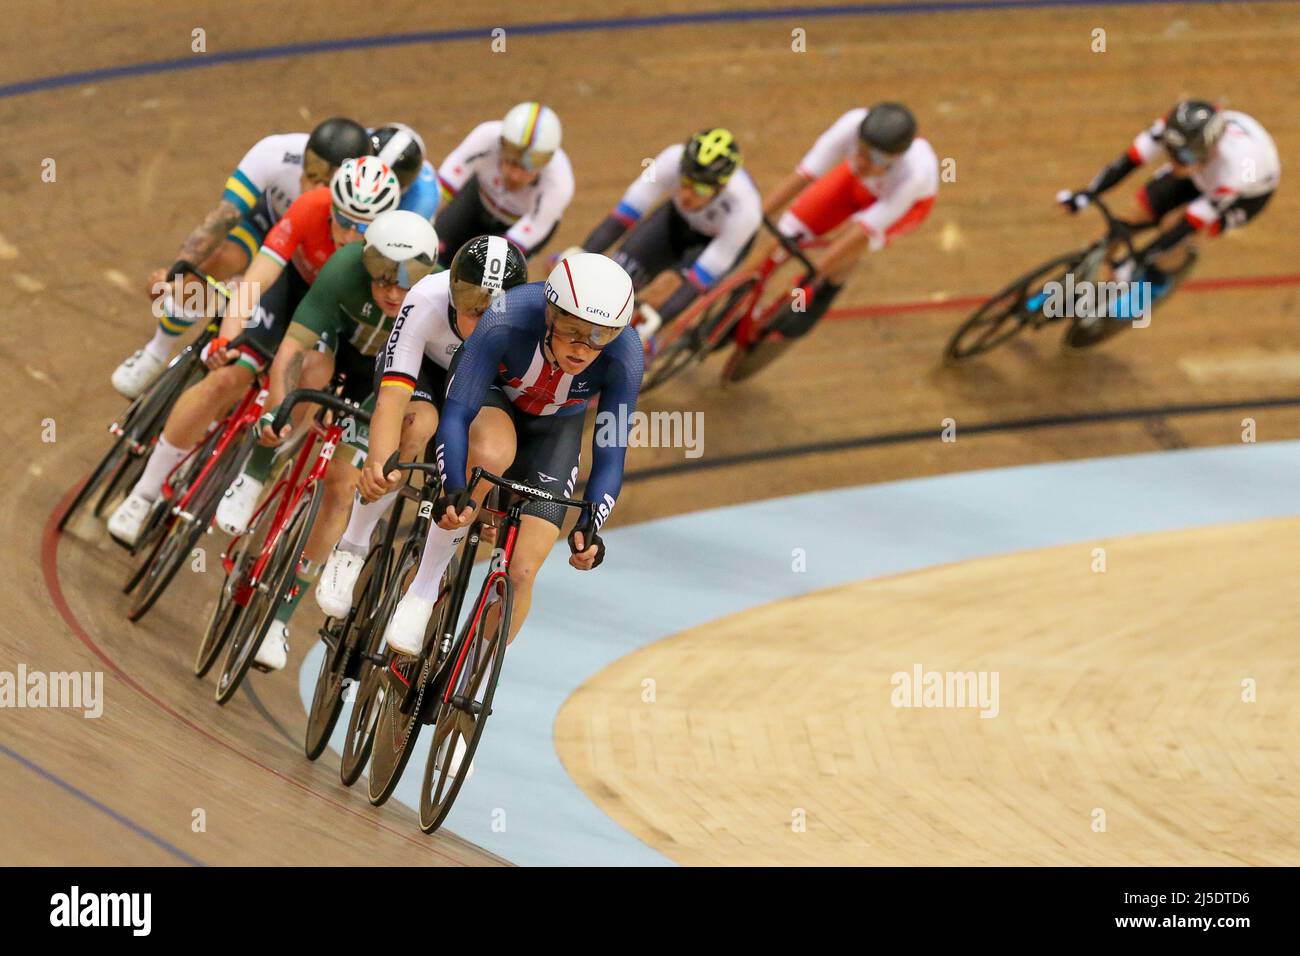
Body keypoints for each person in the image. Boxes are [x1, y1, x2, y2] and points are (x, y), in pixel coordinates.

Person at [105, 158, 401, 547]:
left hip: (331, 311)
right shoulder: (310, 206)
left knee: (312, 374)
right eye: (342, 220)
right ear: (329, 203)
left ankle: (258, 465)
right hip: (289, 289)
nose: (348, 234)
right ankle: (143, 494)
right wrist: (225, 341)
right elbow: (255, 280)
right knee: (228, 374)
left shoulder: (393, 247)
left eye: (361, 228)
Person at [380, 253, 643, 665]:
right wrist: (453, 490)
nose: (583, 347)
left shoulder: (626, 354)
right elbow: (457, 414)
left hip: (555, 429)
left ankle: (471, 679)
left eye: (600, 336)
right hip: (491, 399)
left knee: (522, 570)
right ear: (550, 314)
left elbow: (611, 454)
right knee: (491, 452)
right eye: (573, 330)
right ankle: (423, 589)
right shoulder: (508, 315)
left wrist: (591, 524)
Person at [221, 210, 442, 670]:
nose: (393, 293)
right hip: (336, 358)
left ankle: (281, 616)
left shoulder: (438, 295)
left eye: (405, 284)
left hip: (385, 387)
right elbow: (294, 348)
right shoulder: (342, 268)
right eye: (382, 280)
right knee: (310, 374)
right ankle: (254, 475)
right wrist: (277, 412)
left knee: (342, 486)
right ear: (366, 265)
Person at [312, 234, 531, 617]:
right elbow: (393, 398)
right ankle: (352, 545)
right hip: (426, 373)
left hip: (478, 383)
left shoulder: (528, 325)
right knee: (417, 425)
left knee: (485, 457)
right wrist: (379, 464)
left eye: (494, 312)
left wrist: (494, 500)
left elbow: (528, 414)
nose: (482, 324)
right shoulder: (426, 299)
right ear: (452, 292)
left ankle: (425, 588)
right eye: (471, 308)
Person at [111, 118, 373, 398]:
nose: (312, 189)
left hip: (315, 255)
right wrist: (176, 275)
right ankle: (156, 351)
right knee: (222, 258)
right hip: (268, 226)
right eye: (310, 175)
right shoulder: (276, 153)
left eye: (326, 183)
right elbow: (222, 219)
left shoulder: (363, 203)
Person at [1058, 99, 1279, 302]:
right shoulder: (1171, 129)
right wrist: (1087, 194)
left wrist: (1138, 261)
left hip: (1246, 195)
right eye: (1170, 152)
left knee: (1173, 226)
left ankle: (1155, 283)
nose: (1173, 162)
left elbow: (1189, 224)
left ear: (1209, 151)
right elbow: (1128, 162)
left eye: (1184, 157)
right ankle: (1072, 280)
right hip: (1200, 173)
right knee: (1133, 216)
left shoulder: (1238, 170)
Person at [759, 102, 938, 342]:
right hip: (859, 184)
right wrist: (756, 216)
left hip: (904, 207)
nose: (863, 161)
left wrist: (810, 280)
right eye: (861, 150)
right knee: (787, 232)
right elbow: (803, 176)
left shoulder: (915, 174)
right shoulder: (851, 125)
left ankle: (815, 302)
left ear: (895, 158)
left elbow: (862, 232)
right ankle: (739, 296)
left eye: (874, 157)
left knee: (842, 251)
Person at [572, 127, 762, 345]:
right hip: (676, 222)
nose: (686, 195)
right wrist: (583, 254)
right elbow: (623, 216)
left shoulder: (745, 211)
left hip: (715, 243)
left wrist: (657, 324)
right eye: (685, 182)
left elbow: (697, 281)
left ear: (721, 187)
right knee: (617, 275)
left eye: (699, 189)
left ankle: (653, 346)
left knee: (665, 293)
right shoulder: (671, 159)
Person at [434, 102, 574, 265]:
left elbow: (533, 228)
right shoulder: (485, 136)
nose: (515, 176)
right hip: (478, 200)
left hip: (521, 223)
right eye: (511, 161)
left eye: (527, 168)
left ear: (545, 164)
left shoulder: (559, 181)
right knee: (434, 253)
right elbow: (440, 188)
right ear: (501, 145)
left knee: (483, 277)